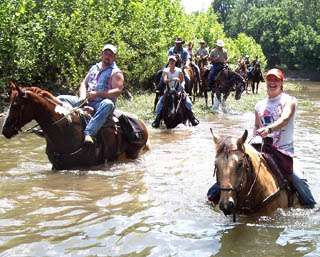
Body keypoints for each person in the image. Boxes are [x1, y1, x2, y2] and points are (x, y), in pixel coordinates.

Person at [207, 68, 316, 208]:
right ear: (266, 82)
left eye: (276, 79)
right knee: (232, 168)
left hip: (283, 151)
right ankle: (214, 198)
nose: (272, 82)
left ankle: (311, 207)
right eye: (270, 79)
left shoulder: (289, 101)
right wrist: (251, 140)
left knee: (298, 179)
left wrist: (269, 128)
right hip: (262, 148)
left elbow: (284, 119)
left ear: (281, 82)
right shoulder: (259, 105)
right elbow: (256, 128)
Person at [57, 44, 124, 144]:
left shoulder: (116, 72)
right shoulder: (94, 68)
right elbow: (84, 83)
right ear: (101, 54)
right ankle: (55, 127)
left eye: (110, 54)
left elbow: (117, 91)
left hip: (101, 104)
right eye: (106, 53)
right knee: (60, 98)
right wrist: (82, 96)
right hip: (86, 100)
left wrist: (97, 94)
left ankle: (89, 133)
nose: (107, 56)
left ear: (114, 57)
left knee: (108, 104)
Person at [152, 55, 199, 128]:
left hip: (178, 90)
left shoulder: (179, 70)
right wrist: (173, 79)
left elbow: (183, 81)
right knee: (159, 104)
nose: (171, 62)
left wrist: (182, 87)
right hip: (168, 90)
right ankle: (157, 120)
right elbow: (164, 79)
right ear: (168, 62)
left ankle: (192, 119)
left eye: (173, 61)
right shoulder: (166, 70)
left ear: (175, 62)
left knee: (188, 103)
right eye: (170, 61)